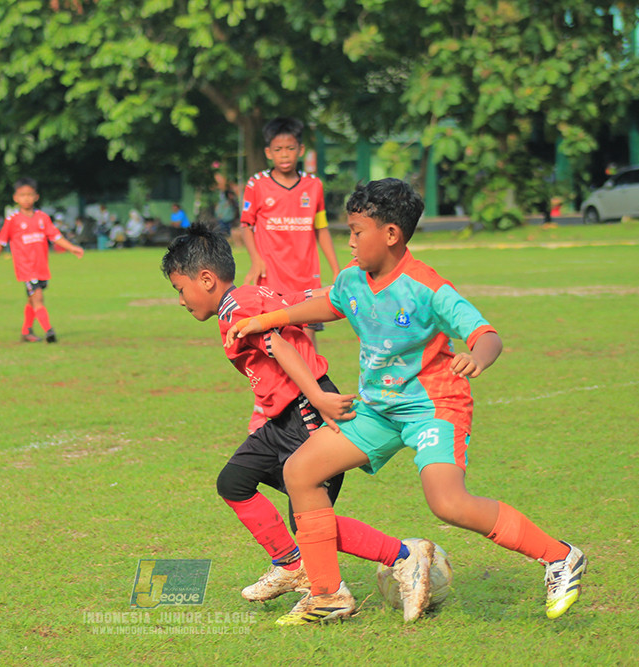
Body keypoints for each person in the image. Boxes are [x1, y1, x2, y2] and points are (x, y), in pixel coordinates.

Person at [226, 179, 586, 624]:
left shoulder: (426, 286)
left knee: (447, 503)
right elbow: (329, 306)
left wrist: (476, 356)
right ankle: (326, 595)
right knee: (300, 471)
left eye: (358, 232)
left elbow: (485, 333)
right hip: (379, 409)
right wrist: (269, 317)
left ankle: (560, 556)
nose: (350, 242)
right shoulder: (352, 280)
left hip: (432, 405)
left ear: (391, 234)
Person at [162, 224, 435, 625]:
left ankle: (402, 558)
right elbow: (308, 301)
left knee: (311, 524)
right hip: (284, 418)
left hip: (307, 411)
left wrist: (318, 395)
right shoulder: (253, 295)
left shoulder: (235, 308)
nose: (181, 300)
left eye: (180, 289)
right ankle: (292, 565)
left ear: (206, 279)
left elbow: (279, 345)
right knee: (234, 483)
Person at [239, 117, 340, 349]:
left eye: (290, 148)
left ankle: (311, 385)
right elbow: (246, 226)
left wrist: (335, 268)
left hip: (307, 277)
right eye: (278, 149)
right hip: (273, 276)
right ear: (268, 152)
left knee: (308, 340)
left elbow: (321, 228)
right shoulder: (256, 185)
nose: (284, 154)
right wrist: (256, 261)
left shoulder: (314, 186)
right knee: (276, 336)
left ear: (301, 150)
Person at [0, 177, 84, 343]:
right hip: (26, 268)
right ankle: (49, 331)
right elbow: (1, 242)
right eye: (22, 195)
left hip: (41, 267)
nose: (26, 198)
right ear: (15, 198)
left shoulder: (42, 218)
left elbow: (56, 237)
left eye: (29, 194)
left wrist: (72, 248)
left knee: (32, 299)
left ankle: (26, 331)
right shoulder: (12, 220)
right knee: (38, 298)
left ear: (36, 196)